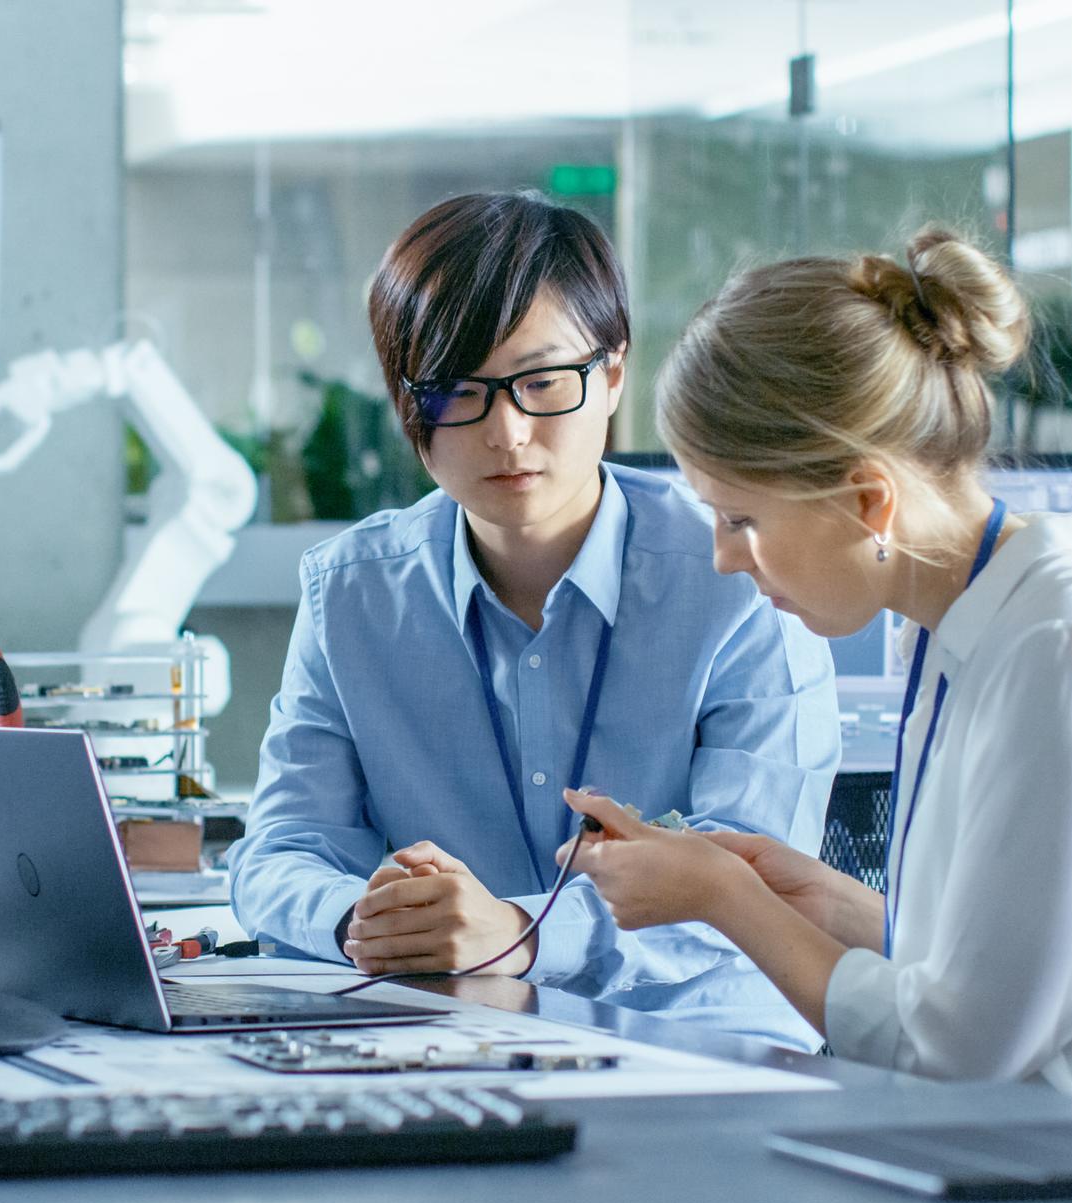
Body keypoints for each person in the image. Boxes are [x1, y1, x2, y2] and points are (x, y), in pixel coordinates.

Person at [558, 227, 1072, 1146]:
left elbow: (957, 1051)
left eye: (741, 519)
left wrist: (727, 902)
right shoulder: (968, 630)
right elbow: (997, 970)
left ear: (869, 501)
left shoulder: (1066, 653)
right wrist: (828, 907)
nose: (724, 558)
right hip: (1040, 1155)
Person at [228, 192, 840, 1024]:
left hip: (700, 1043)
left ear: (613, 374)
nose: (508, 433)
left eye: (543, 382)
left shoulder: (739, 578)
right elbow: (280, 851)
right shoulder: (352, 593)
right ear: (407, 402)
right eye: (458, 391)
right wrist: (364, 919)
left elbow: (755, 887)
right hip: (451, 1041)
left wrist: (519, 935)